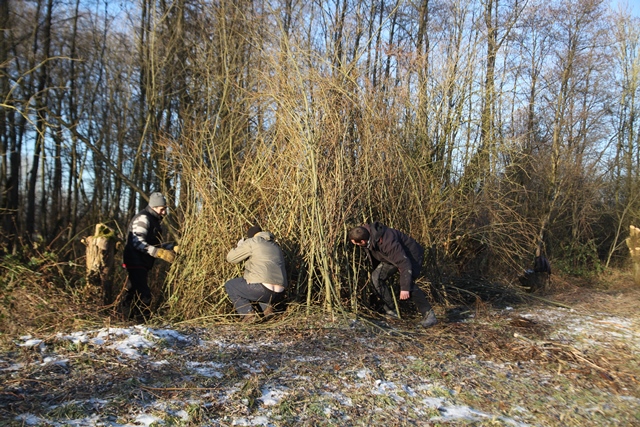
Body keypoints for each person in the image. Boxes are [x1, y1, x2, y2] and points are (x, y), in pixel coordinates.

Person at [348, 221, 437, 328]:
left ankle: (429, 316)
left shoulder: (388, 243)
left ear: (362, 241)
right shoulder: (366, 233)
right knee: (376, 278)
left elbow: (404, 263)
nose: (357, 246)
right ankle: (391, 312)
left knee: (408, 283)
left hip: (410, 256)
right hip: (390, 258)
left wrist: (404, 288)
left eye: (357, 244)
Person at [121, 192, 177, 322]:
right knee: (143, 294)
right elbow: (137, 242)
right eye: (162, 209)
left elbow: (153, 243)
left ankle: (127, 320)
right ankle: (141, 323)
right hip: (135, 261)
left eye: (165, 209)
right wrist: (159, 253)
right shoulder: (143, 219)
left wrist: (170, 247)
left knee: (133, 292)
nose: (164, 212)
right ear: (154, 207)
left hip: (141, 262)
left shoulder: (153, 220)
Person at [224, 225, 287, 323]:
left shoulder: (253, 242)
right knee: (260, 283)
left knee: (231, 285)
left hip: (262, 289)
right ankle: (267, 310)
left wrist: (240, 246)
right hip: (279, 292)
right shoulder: (275, 245)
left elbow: (231, 258)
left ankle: (247, 314)